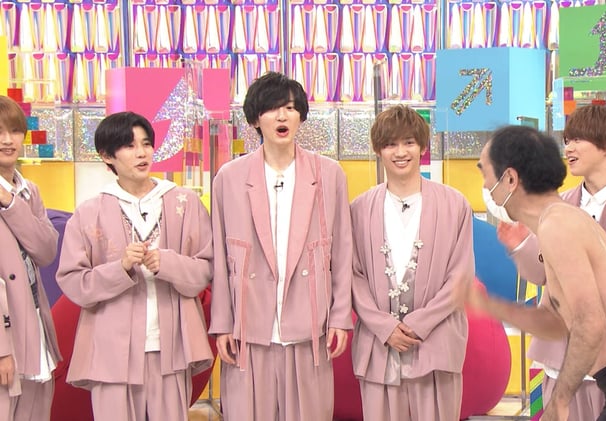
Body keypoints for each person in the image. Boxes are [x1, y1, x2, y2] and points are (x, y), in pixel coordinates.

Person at [470, 125, 606, 421]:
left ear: (510, 178)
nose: (486, 186)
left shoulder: (559, 225)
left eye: (485, 173)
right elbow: (554, 322)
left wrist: (560, 400)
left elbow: (591, 324)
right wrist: (488, 306)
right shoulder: (558, 220)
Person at [210, 71, 353, 420]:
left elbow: (342, 253)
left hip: (309, 326)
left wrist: (340, 316)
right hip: (249, 326)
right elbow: (220, 258)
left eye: (290, 108)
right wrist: (223, 323)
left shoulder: (329, 174)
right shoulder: (229, 177)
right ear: (255, 118)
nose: (282, 116)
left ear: (301, 115)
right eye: (273, 108)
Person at [56, 111, 213, 420]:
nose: (142, 153)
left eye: (146, 144)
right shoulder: (89, 212)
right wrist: (121, 268)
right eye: (129, 146)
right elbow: (74, 282)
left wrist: (168, 263)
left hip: (171, 348)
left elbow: (207, 269)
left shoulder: (185, 203)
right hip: (111, 351)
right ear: (107, 156)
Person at [350, 105, 474, 421]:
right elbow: (353, 276)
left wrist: (420, 324)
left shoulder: (455, 204)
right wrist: (385, 327)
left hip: (437, 341)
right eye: (390, 144)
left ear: (422, 147)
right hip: (379, 346)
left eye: (409, 142)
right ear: (378, 150)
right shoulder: (359, 209)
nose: (400, 152)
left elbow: (460, 275)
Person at [0, 95, 61, 420]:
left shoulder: (29, 190)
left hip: (34, 320)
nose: (7, 140)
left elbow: (46, 250)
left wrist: (10, 203)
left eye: (14, 131)